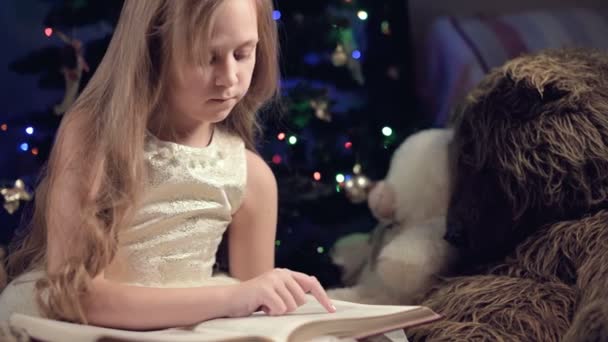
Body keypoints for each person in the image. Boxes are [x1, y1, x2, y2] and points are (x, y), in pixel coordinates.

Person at [0, 0, 335, 330]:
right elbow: (74, 297)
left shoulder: (253, 178)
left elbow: (259, 320)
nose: (229, 78)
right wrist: (233, 298)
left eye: (243, 54)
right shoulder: (94, 139)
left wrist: (262, 297)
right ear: (153, 51)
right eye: (207, 57)